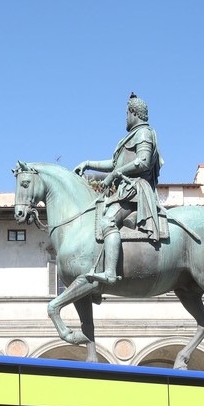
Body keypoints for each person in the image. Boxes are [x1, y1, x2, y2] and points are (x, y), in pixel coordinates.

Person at [73, 93, 167, 284]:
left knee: (107, 221)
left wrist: (115, 174)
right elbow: (114, 164)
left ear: (133, 112)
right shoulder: (132, 136)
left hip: (136, 191)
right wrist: (88, 163)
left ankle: (109, 273)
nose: (125, 117)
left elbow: (143, 162)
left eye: (126, 113)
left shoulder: (143, 133)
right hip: (127, 190)